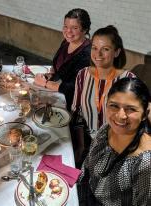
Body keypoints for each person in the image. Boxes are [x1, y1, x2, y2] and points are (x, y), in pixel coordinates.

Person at [78, 77, 151, 205]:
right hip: (85, 191)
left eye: (131, 109)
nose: (120, 116)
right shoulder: (106, 128)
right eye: (114, 106)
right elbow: (89, 162)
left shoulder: (145, 162)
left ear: (145, 114)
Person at [71, 25, 135, 165]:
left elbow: (132, 123)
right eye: (94, 48)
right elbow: (77, 113)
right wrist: (81, 147)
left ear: (116, 52)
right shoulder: (83, 75)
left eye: (105, 49)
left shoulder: (128, 80)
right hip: (86, 144)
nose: (98, 54)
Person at [34, 8, 91, 109]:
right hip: (57, 92)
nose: (68, 31)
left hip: (73, 103)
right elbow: (61, 67)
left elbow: (74, 88)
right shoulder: (66, 42)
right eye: (65, 26)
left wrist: (45, 83)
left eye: (75, 28)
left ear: (85, 30)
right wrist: (52, 74)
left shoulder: (88, 54)